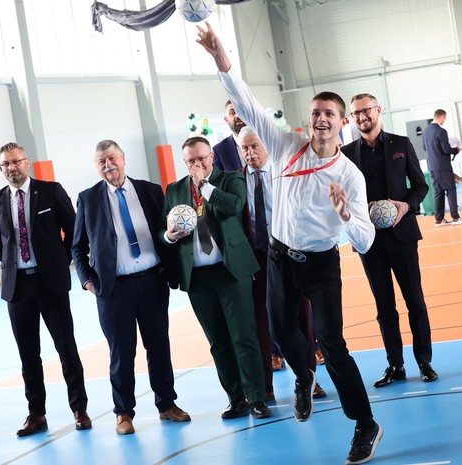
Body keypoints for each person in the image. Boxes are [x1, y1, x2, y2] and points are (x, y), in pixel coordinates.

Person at [197, 23, 382, 465]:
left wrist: (346, 216)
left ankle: (364, 423)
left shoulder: (350, 176)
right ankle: (303, 375)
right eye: (316, 112)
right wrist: (219, 55)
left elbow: (366, 240)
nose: (320, 118)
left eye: (329, 114)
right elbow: (244, 100)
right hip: (280, 258)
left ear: (342, 123)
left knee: (332, 344)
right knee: (281, 333)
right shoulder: (283, 146)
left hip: (320, 265)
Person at [72, 140, 190, 435]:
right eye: (101, 161)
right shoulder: (88, 199)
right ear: (97, 167)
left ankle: (167, 404)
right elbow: (77, 247)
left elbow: (164, 232)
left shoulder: (151, 191)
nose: (108, 165)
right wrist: (87, 281)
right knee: (121, 354)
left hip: (152, 281)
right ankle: (123, 412)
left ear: (123, 159)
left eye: (112, 158)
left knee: (159, 347)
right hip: (114, 290)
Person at [160, 136, 270, 420]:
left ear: (211, 157)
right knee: (218, 342)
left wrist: (205, 186)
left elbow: (234, 207)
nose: (197, 164)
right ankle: (236, 399)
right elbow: (162, 229)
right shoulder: (174, 190)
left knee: (244, 336)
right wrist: (169, 236)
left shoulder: (230, 180)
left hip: (231, 271)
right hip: (197, 278)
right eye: (191, 161)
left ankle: (256, 397)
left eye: (201, 158)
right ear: (184, 162)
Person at [0, 142, 90, 436]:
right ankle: (36, 414)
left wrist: (60, 260)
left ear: (26, 162)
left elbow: (74, 231)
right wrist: (14, 264)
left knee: (66, 349)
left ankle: (79, 409)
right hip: (17, 288)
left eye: (16, 161)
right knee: (28, 355)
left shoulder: (50, 191)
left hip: (50, 283)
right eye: (6, 164)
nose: (12, 168)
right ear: (1, 168)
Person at [342, 93, 437, 388]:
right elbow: (344, 195)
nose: (361, 117)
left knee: (415, 302)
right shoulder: (346, 153)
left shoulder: (400, 144)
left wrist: (406, 206)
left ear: (378, 110)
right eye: (356, 113)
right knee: (384, 307)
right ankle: (395, 365)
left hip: (402, 235)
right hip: (369, 240)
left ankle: (424, 361)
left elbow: (420, 185)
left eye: (366, 110)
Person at [237, 126, 326, 401]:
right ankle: (265, 386)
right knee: (259, 323)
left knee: (300, 319)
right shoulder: (235, 182)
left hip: (289, 255)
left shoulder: (284, 174)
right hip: (255, 261)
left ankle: (308, 379)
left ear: (266, 146)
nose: (250, 153)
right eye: (245, 148)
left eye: (255, 146)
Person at [422, 109, 462, 225]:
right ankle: (455, 217)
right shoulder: (441, 131)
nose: (444, 121)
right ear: (441, 117)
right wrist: (456, 150)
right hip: (443, 167)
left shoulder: (426, 131)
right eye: (444, 118)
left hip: (432, 166)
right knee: (451, 190)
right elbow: (446, 149)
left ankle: (439, 219)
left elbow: (425, 148)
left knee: (438, 192)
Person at [212, 100, 247, 171]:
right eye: (232, 113)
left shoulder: (264, 142)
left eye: (241, 112)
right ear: (226, 120)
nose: (237, 116)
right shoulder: (219, 150)